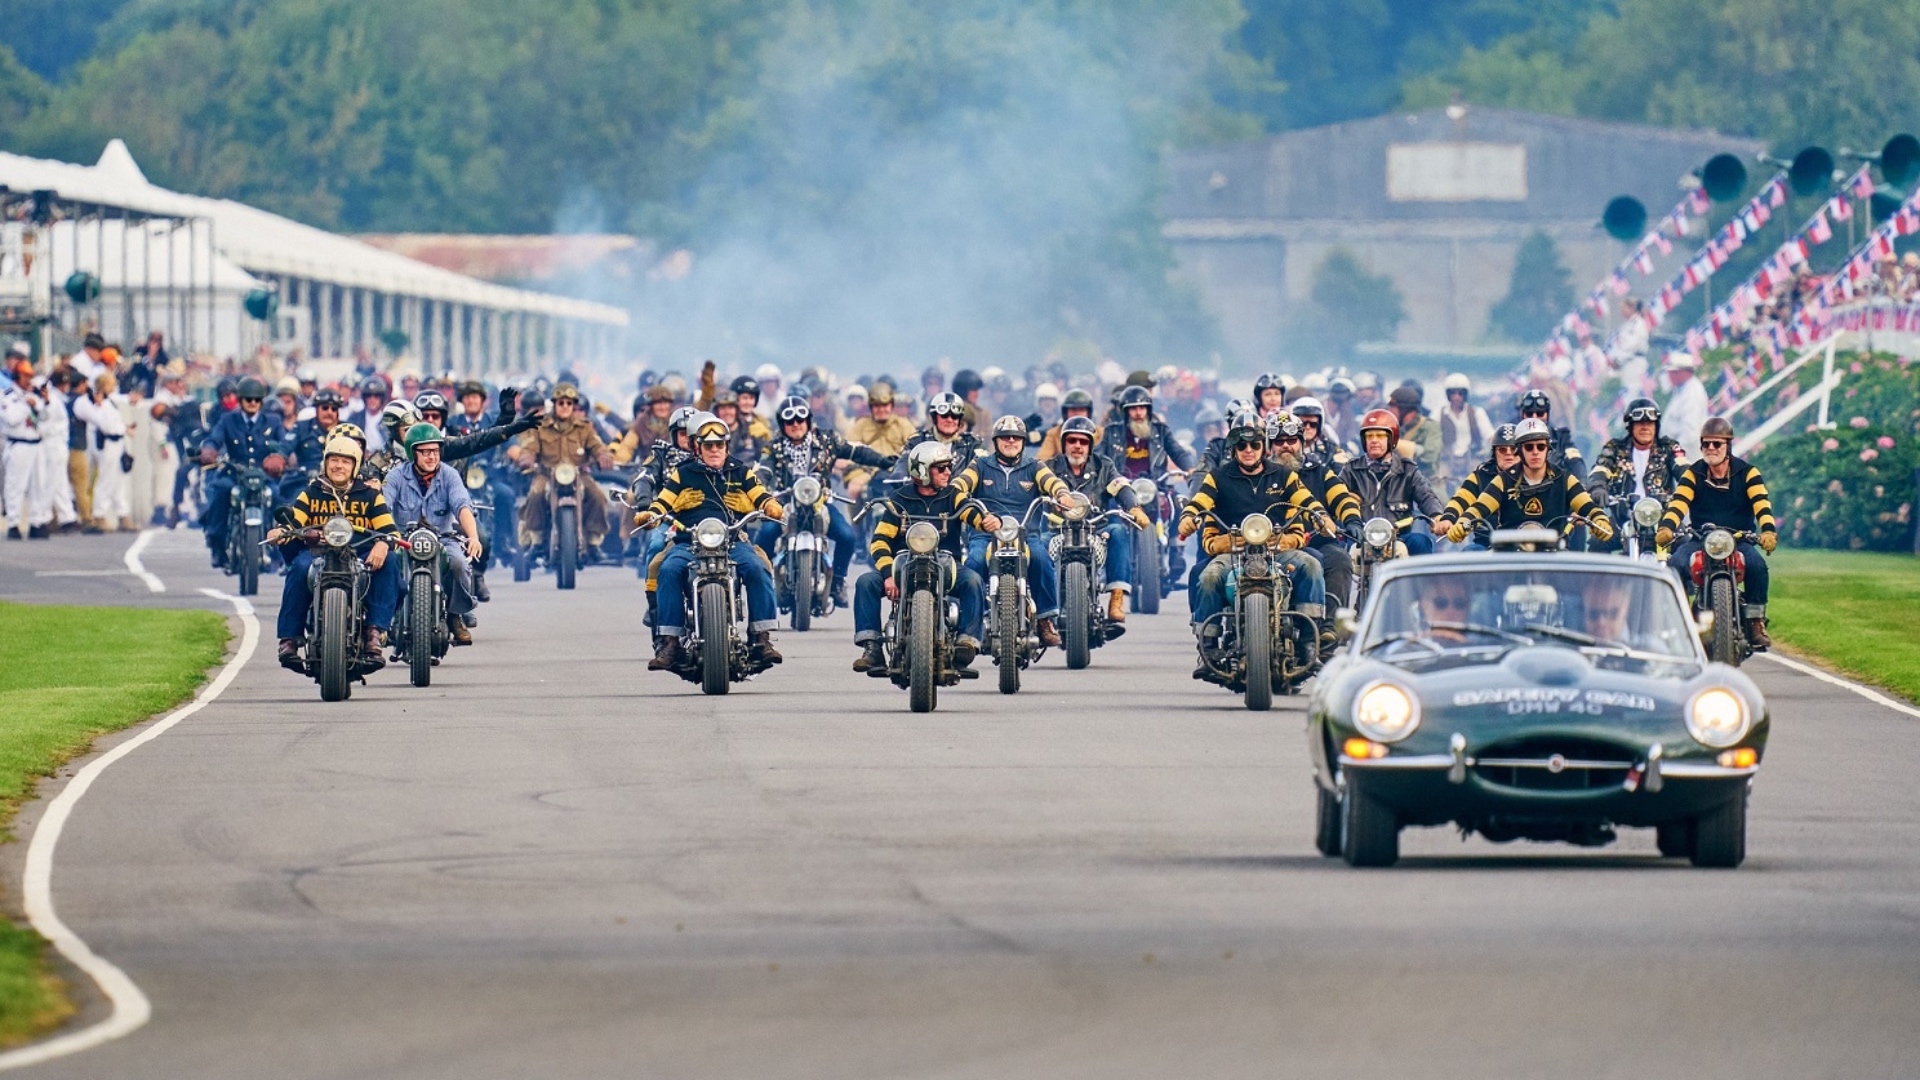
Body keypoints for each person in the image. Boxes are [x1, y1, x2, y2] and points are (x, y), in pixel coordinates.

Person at [1176, 413, 1328, 676]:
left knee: (1312, 565)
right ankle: (1208, 647)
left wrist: (1321, 515)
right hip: (1232, 551)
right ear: (1234, 449)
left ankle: (1308, 643)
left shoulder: (1285, 475)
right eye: (1242, 446)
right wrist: (1188, 517)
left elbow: (1306, 499)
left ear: (1263, 447)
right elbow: (1200, 501)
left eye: (1254, 445)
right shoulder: (1218, 477)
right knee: (1209, 575)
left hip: (1277, 549)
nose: (1248, 451)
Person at [635, 416, 784, 671]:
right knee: (667, 570)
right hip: (688, 541)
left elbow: (761, 494)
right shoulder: (682, 473)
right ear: (698, 448)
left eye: (719, 445)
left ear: (727, 446)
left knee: (759, 567)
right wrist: (650, 514)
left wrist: (769, 505)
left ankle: (761, 638)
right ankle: (670, 643)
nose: (715, 450)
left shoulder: (741, 470)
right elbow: (663, 501)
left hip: (733, 540)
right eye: (708, 445)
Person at [852, 440, 992, 674]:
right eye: (941, 468)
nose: (948, 472)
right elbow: (879, 541)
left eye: (949, 466)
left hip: (946, 565)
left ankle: (967, 641)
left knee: (974, 580)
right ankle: (872, 647)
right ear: (923, 470)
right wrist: (888, 575)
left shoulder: (953, 496)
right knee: (866, 582)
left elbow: (972, 512)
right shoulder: (898, 499)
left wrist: (987, 520)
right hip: (903, 565)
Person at [267, 435, 400, 665]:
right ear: (325, 463)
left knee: (389, 562)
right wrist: (280, 531)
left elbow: (391, 531)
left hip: (360, 554)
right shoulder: (311, 492)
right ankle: (288, 638)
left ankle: (374, 632)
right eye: (334, 460)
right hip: (318, 554)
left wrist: (383, 544)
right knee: (299, 568)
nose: (339, 466)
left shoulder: (371, 495)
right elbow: (293, 521)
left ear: (355, 465)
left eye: (346, 461)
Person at [754, 396, 893, 608]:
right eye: (789, 421)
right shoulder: (774, 447)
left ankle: (837, 582)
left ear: (808, 421)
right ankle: (764, 581)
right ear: (782, 425)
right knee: (764, 534)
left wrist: (884, 461)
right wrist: (760, 488)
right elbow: (764, 468)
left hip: (821, 504)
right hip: (785, 504)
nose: (795, 425)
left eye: (800, 420)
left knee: (847, 536)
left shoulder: (827, 440)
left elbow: (856, 452)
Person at [1656, 416, 1777, 648]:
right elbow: (1678, 503)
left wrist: (1768, 531)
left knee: (1758, 566)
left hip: (1739, 540)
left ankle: (1755, 622)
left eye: (1717, 444)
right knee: (1675, 565)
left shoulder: (1748, 473)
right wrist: (1666, 527)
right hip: (1701, 539)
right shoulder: (1693, 474)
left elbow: (1762, 504)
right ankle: (1677, 621)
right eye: (1706, 444)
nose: (1710, 448)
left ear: (1728, 446)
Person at [955, 415, 1073, 647]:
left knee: (1041, 558)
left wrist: (1062, 494)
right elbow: (959, 485)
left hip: (1025, 534)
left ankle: (1045, 619)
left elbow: (1052, 482)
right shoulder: (980, 465)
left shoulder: (1034, 466)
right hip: (985, 535)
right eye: (1005, 437)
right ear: (996, 441)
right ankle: (969, 625)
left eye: (1016, 437)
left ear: (1023, 441)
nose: (1011, 441)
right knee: (974, 563)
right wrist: (969, 506)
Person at [1045, 415, 1149, 636]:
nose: (1077, 446)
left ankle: (1116, 598)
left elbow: (1120, 486)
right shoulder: (1050, 467)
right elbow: (1032, 488)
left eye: (1083, 442)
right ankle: (1039, 611)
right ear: (1064, 444)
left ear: (1090, 445)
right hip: (1057, 529)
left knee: (1119, 531)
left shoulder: (1104, 465)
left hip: (1096, 528)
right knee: (1036, 546)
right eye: (1072, 441)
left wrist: (1133, 507)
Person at [383, 423, 485, 646]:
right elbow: (383, 506)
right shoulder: (395, 476)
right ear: (412, 452)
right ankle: (385, 620)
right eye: (425, 452)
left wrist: (473, 537)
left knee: (459, 563)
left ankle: (455, 615)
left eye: (435, 451)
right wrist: (384, 537)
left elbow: (462, 506)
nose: (431, 457)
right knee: (386, 565)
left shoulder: (450, 475)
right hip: (403, 540)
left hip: (442, 538)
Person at [1446, 419, 1614, 544]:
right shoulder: (1503, 480)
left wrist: (1600, 520)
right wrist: (1462, 523)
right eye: (1529, 447)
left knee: (1577, 586)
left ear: (1548, 449)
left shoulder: (1564, 479)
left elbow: (1588, 507)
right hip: (1509, 557)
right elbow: (1478, 509)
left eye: (1540, 447)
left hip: (1554, 556)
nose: (1535, 452)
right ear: (1520, 450)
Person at [508, 383, 614, 560]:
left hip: (578, 474)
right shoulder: (540, 425)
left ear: (573, 406)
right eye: (561, 403)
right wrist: (526, 458)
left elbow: (597, 445)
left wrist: (604, 455)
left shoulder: (585, 427)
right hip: (547, 474)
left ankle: (594, 541)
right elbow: (529, 446)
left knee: (597, 495)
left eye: (569, 403)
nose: (565, 407)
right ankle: (537, 539)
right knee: (536, 493)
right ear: (554, 405)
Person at [1270, 415, 1360, 610]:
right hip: (1271, 549)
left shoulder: (1320, 472)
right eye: (1279, 441)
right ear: (1270, 446)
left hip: (1319, 542)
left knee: (1340, 559)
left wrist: (1352, 520)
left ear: (1302, 443)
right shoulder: (1261, 475)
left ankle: (1329, 625)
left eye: (1292, 440)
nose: (1286, 446)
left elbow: (1341, 497)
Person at [199, 376, 287, 568]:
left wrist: (280, 458)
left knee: (281, 496)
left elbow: (285, 443)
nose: (253, 403)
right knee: (219, 492)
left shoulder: (272, 421)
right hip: (235, 474)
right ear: (240, 400)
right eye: (248, 399)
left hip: (264, 476)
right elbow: (214, 439)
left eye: (257, 399)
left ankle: (281, 548)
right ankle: (217, 545)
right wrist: (209, 451)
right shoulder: (228, 420)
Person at [1585, 398, 1687, 551]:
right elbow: (1600, 469)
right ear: (1630, 425)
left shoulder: (1669, 448)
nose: (1645, 427)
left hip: (1664, 519)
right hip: (1623, 518)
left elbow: (1683, 468)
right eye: (1640, 423)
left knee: (1686, 546)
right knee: (1597, 542)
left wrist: (1693, 483)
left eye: (1650, 423)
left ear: (1656, 425)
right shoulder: (1615, 448)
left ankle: (1675, 576)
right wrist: (1598, 487)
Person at [1338, 408, 1442, 556]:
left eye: (1380, 435)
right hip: (1359, 536)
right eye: (1369, 436)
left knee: (1421, 542)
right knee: (1339, 553)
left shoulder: (1408, 470)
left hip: (1398, 537)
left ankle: (1421, 580)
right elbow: (1334, 495)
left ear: (1392, 439)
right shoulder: (1351, 470)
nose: (1374, 440)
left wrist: (1437, 516)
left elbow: (1426, 496)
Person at [1434, 423, 1520, 551]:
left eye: (1514, 449)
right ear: (1494, 453)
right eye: (1502, 449)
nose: (1509, 454)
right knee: (1468, 553)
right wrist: (1448, 519)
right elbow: (1461, 499)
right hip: (1486, 544)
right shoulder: (1481, 476)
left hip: (1526, 546)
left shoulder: (1533, 476)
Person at [73, 370, 133, 531]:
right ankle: (99, 514)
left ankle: (123, 514)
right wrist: (100, 406)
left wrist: (124, 429)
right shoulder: (97, 403)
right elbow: (104, 425)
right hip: (107, 444)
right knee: (106, 480)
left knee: (118, 481)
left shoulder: (110, 402)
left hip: (118, 442)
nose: (113, 386)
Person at [843, 381, 916, 502]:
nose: (881, 410)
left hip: (896, 472)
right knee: (854, 489)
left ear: (891, 405)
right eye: (877, 406)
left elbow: (915, 448)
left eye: (885, 405)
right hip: (866, 471)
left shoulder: (903, 425)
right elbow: (848, 450)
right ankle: (857, 520)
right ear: (871, 407)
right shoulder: (861, 425)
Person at [1, 354, 47, 539]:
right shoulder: (7, 396)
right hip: (18, 444)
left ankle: (36, 522)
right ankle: (13, 523)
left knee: (38, 484)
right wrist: (27, 406)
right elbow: (11, 419)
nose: (28, 380)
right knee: (15, 485)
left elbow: (44, 417)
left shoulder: (31, 395)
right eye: (25, 376)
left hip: (36, 444)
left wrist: (41, 403)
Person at [1436, 373, 1492, 492]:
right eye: (1453, 393)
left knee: (1482, 487)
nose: (1456, 397)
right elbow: (1431, 433)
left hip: (1473, 458)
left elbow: (1489, 435)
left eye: (1460, 393)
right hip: (1446, 460)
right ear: (1448, 395)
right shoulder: (1439, 414)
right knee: (1437, 487)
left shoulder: (1477, 412)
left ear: (1465, 395)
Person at [1515, 388, 1585, 476]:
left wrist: (1581, 486)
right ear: (1522, 415)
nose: (1535, 418)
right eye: (1529, 414)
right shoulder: (1512, 440)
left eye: (1540, 413)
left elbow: (1576, 463)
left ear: (1547, 415)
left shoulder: (1561, 439)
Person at [1661, 352, 1711, 460]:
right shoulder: (1681, 390)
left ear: (1684, 372)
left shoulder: (1692, 393)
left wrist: (1673, 454)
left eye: (1673, 372)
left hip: (1686, 457)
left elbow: (1690, 433)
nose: (1669, 376)